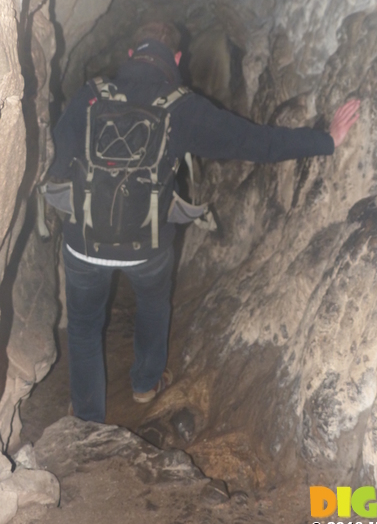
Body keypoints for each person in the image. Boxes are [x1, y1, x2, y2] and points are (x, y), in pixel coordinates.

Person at [49, 22, 360, 423]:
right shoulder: (182, 107)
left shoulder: (89, 95)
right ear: (176, 61)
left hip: (84, 243)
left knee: (84, 325)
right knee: (152, 303)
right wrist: (327, 140)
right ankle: (145, 383)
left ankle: (87, 417)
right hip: (147, 246)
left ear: (129, 56)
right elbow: (255, 142)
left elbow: (57, 160)